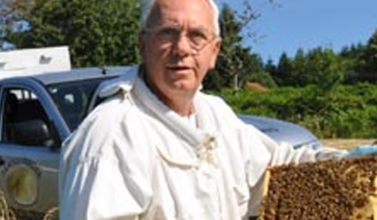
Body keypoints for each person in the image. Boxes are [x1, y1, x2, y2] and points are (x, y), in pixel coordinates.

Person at [59, 0, 377, 219]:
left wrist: (357, 163)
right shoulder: (111, 135)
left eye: (197, 36)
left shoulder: (216, 116)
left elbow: (278, 166)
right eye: (167, 33)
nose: (182, 48)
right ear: (142, 45)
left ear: (214, 52)